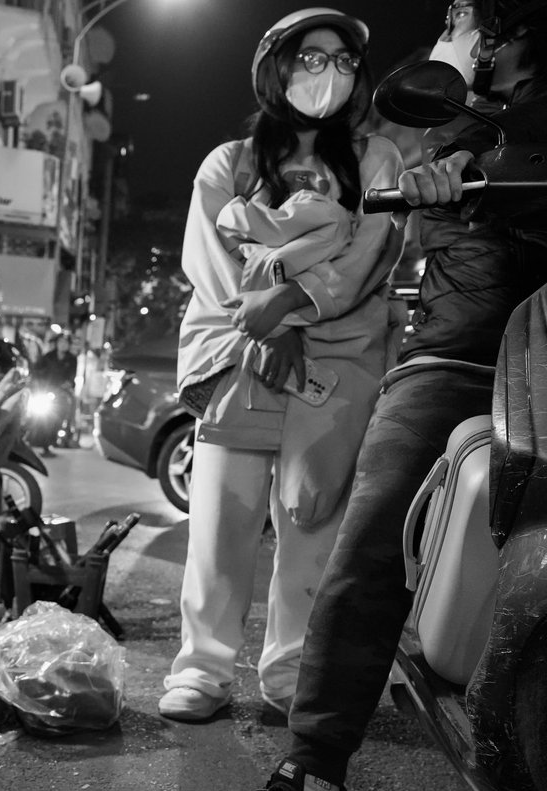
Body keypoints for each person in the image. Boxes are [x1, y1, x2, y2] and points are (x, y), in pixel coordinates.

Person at [201, 0, 547, 791]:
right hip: (461, 349)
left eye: (464, 18)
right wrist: (449, 168)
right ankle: (312, 779)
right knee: (368, 538)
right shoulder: (444, 101)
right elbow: (392, 208)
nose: (454, 24)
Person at [160, 7, 405, 724]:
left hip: (335, 368)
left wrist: (291, 304)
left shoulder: (377, 160)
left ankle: (292, 672)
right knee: (220, 522)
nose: (330, 74)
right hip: (238, 361)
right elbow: (208, 260)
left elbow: (370, 253)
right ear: (275, 68)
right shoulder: (226, 163)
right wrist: (263, 322)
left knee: (313, 522)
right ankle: (202, 669)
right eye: (312, 58)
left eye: (344, 61)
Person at [31, 332, 80, 451]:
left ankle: (67, 433)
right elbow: (38, 372)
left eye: (65, 342)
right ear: (57, 343)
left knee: (68, 407)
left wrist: (68, 383)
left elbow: (72, 376)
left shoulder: (72, 359)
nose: (63, 345)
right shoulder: (48, 357)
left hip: (62, 392)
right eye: (61, 342)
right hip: (47, 390)